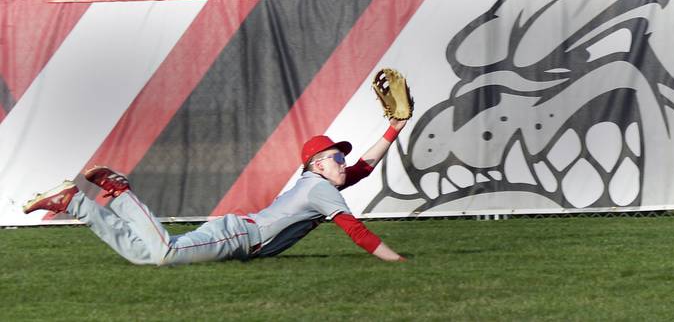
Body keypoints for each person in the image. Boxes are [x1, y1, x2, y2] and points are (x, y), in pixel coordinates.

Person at [23, 119, 408, 265]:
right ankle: (121, 192)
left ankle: (73, 202)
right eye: (336, 157)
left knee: (143, 254)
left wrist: (394, 129)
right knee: (163, 253)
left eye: (342, 156)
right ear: (316, 165)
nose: (343, 161)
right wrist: (398, 262)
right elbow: (358, 233)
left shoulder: (319, 182)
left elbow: (362, 169)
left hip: (239, 233)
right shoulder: (322, 190)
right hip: (239, 237)